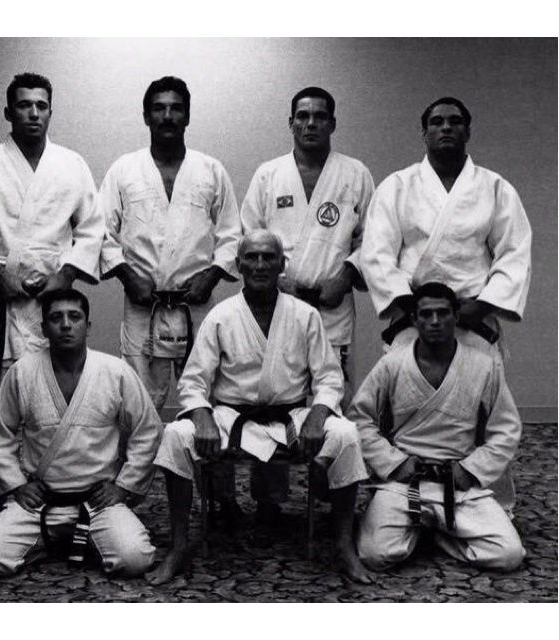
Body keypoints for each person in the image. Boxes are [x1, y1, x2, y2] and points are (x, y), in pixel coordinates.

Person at [146, 230, 372, 586]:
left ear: (283, 264)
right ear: (238, 265)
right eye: (251, 257)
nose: (260, 264)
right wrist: (203, 419)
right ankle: (178, 546)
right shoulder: (221, 316)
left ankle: (344, 546)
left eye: (269, 257)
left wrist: (317, 416)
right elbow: (193, 382)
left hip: (291, 416)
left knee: (346, 434)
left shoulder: (304, 315)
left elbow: (329, 379)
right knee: (175, 435)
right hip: (231, 416)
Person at [0, 72, 104, 540]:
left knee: (53, 400)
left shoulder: (71, 164)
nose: (34, 113)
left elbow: (92, 228)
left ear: (51, 110)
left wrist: (65, 275)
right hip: (1, 302)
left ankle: (57, 499)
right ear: (8, 111)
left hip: (52, 306)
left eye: (41, 105)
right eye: (24, 105)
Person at [99, 76, 243, 522]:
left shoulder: (211, 170)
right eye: (158, 108)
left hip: (197, 303)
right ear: (146, 116)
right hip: (143, 305)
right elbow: (100, 233)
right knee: (136, 404)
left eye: (176, 108)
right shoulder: (124, 170)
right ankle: (127, 496)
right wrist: (126, 276)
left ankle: (221, 497)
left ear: (187, 114)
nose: (167, 115)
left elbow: (232, 233)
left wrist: (214, 273)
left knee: (214, 399)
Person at [0, 289, 162, 578]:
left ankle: (70, 540)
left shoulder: (114, 371)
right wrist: (16, 485)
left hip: (97, 502)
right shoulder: (23, 371)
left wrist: (123, 487)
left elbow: (148, 429)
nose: (66, 324)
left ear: (88, 326)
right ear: (44, 327)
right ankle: (65, 541)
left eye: (75, 317)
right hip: (40, 501)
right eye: (56, 318)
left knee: (135, 559)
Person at [348, 283, 525, 572]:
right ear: (414, 320)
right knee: (374, 555)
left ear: (456, 317)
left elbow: (505, 429)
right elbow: (360, 419)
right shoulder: (391, 364)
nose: (434, 321)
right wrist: (394, 463)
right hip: (406, 481)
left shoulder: (484, 366)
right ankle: (432, 527)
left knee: (508, 555)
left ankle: (435, 533)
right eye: (426, 314)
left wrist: (470, 470)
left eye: (443, 313)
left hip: (457, 482)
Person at [360, 96, 531, 356]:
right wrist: (415, 308)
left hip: (473, 318)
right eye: (437, 122)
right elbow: (375, 254)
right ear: (424, 133)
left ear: (468, 132)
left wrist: (481, 307)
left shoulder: (496, 188)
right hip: (414, 318)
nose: (446, 127)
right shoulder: (397, 186)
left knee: (478, 393)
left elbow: (514, 254)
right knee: (408, 393)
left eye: (456, 121)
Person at [241, 86, 375, 408]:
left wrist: (347, 275)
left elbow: (372, 238)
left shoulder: (355, 174)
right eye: (303, 116)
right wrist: (273, 279)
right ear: (291, 123)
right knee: (279, 388)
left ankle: (329, 455)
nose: (310, 123)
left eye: (319, 116)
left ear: (332, 123)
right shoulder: (268, 174)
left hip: (332, 305)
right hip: (278, 301)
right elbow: (249, 234)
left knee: (333, 394)